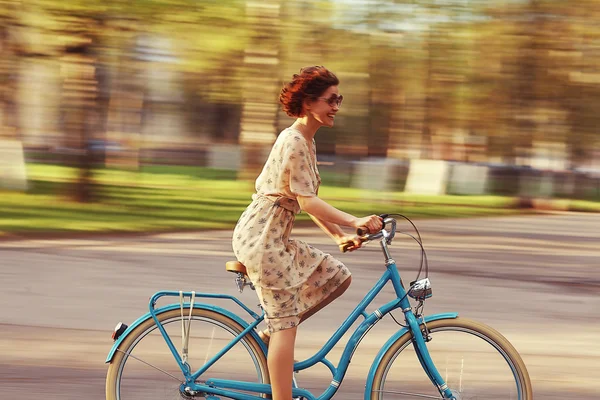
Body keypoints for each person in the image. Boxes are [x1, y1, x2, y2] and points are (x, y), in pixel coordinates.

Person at [231, 65, 382, 400]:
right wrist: (354, 221)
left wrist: (339, 236)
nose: (336, 107)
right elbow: (308, 202)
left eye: (338, 99)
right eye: (331, 100)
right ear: (310, 102)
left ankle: (274, 333)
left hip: (273, 236)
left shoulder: (304, 141)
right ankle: (279, 362)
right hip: (263, 240)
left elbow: (305, 199)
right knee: (287, 326)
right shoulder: (296, 141)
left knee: (336, 276)